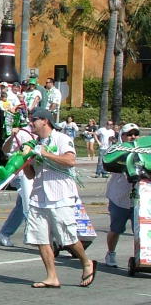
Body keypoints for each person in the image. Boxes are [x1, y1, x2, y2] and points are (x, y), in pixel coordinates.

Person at [24, 108, 96, 288]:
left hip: (60, 195)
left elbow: (70, 161)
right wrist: (25, 159)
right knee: (40, 238)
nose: (31, 123)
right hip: (39, 195)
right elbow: (31, 175)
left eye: (34, 120)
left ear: (45, 121)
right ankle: (51, 276)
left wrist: (44, 153)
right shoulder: (34, 143)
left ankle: (87, 262)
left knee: (68, 237)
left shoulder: (62, 139)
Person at [0, 114, 35, 247]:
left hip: (31, 174)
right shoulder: (22, 133)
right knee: (28, 204)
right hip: (19, 174)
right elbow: (5, 149)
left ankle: (5, 233)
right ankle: (31, 234)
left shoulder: (40, 136)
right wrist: (12, 136)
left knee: (22, 206)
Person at [103, 123, 139, 267]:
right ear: (122, 136)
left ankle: (142, 257)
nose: (133, 137)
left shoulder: (144, 151)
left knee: (142, 230)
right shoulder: (116, 150)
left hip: (139, 199)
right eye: (129, 134)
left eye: (135, 134)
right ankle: (110, 253)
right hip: (119, 197)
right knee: (116, 229)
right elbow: (110, 162)